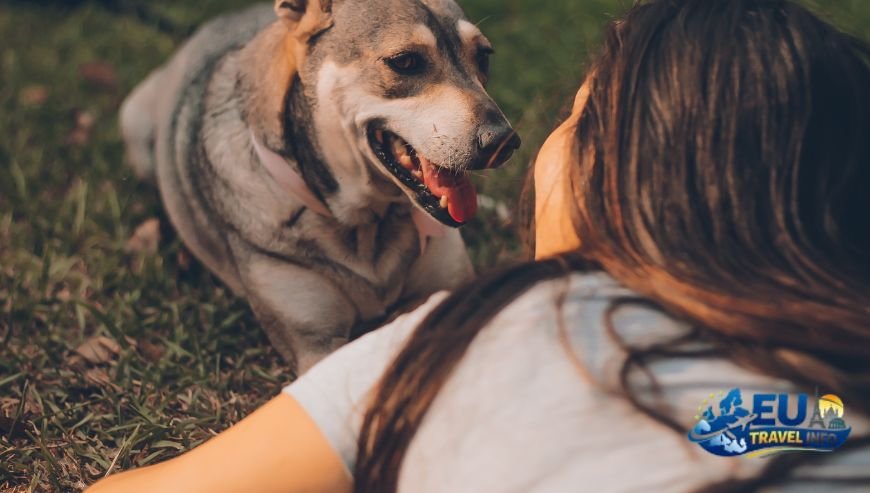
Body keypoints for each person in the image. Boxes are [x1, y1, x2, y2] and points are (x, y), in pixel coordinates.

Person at [88, 0, 870, 491]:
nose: (509, 137)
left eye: (579, 119)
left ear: (654, 188)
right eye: (409, 64)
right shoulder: (821, 390)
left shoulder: (455, 343)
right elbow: (748, 427)